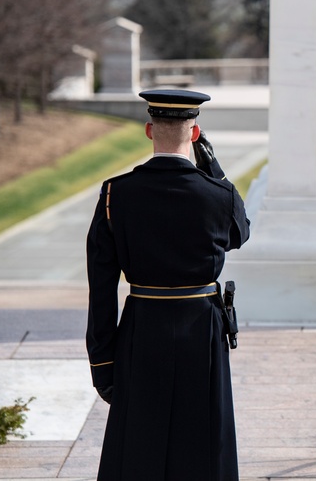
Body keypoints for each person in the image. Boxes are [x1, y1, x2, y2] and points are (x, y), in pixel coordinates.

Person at [85, 89, 250, 481]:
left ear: (148, 130)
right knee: (204, 446)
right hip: (202, 333)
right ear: (195, 135)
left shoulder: (115, 194)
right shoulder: (219, 194)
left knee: (138, 446)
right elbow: (240, 232)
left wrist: (102, 363)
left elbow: (102, 288)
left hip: (143, 329)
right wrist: (217, 172)